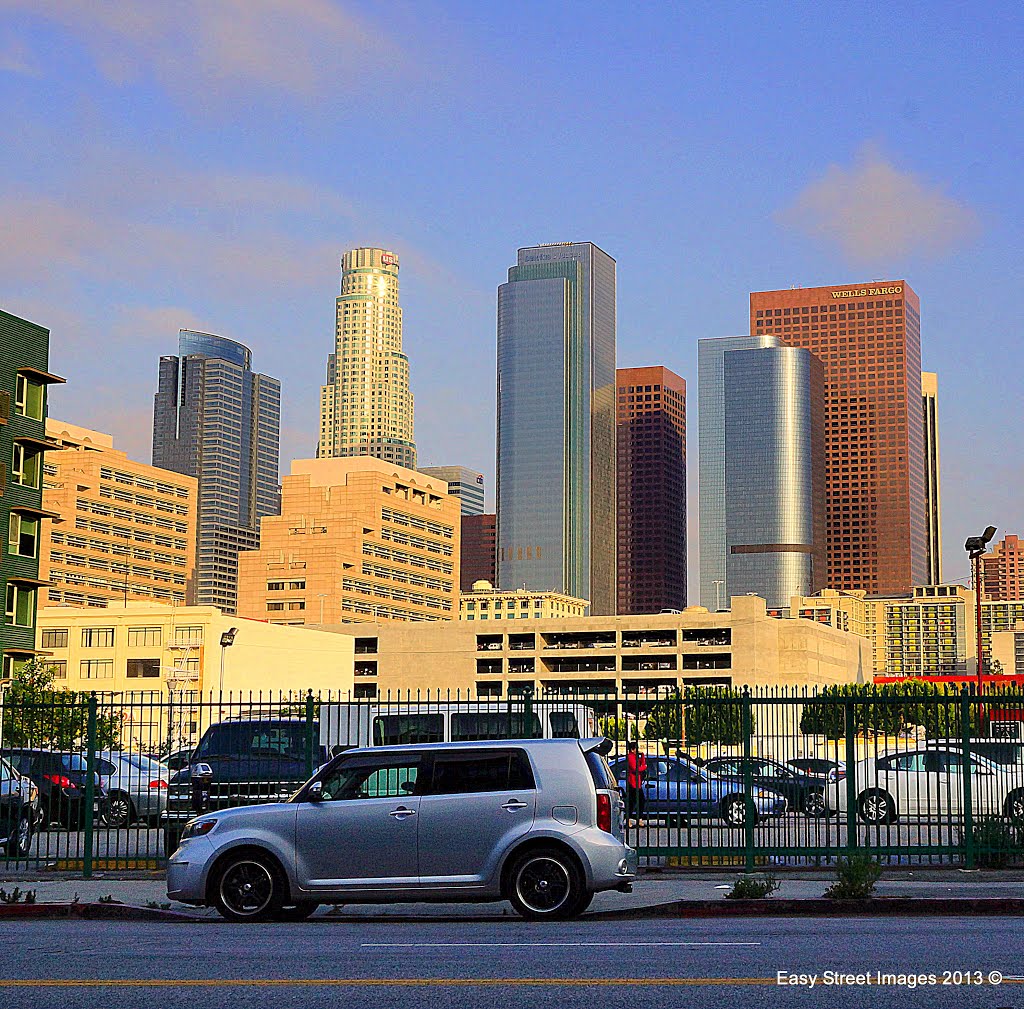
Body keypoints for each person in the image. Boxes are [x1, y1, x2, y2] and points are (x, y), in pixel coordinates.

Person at [625, 740, 647, 824]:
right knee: (633, 802)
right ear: (632, 749)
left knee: (640, 801)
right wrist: (644, 767)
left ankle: (638, 819)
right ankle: (630, 819)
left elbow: (641, 764)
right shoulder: (630, 757)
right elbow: (635, 769)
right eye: (636, 748)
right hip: (632, 782)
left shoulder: (635, 756)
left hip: (637, 783)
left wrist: (642, 756)